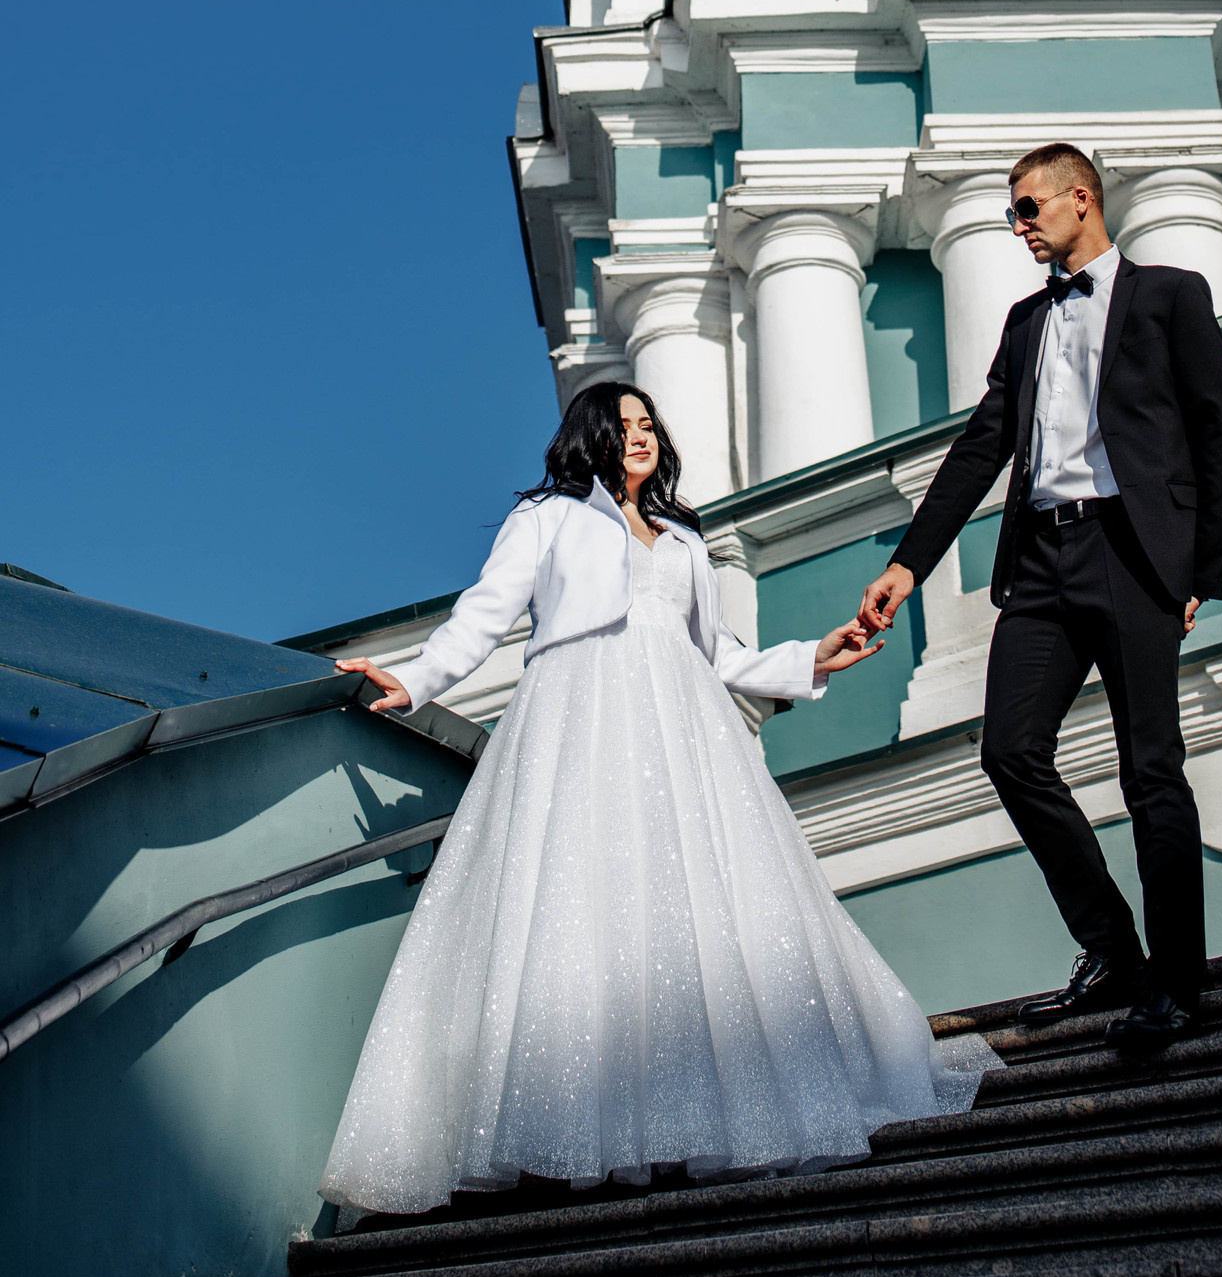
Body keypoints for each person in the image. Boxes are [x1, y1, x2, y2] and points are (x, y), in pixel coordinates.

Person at [321, 383, 996, 1213]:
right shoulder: (546, 517)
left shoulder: (683, 537)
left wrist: (813, 658)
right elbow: (482, 617)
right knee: (579, 905)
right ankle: (567, 1127)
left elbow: (717, 653)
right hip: (576, 719)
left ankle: (698, 1115)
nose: (639, 436)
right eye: (622, 425)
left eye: (648, 425)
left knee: (691, 906)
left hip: (682, 732)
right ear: (590, 437)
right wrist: (413, 676)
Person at [860, 143, 1222, 1053]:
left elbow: (1219, 431)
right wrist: (908, 564)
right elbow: (979, 449)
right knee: (1010, 750)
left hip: (1133, 549)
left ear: (1082, 199)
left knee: (1149, 768)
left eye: (1029, 207)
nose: (1019, 225)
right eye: (1013, 212)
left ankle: (1179, 984)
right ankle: (1114, 950)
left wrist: (1202, 570)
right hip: (1040, 556)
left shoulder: (1169, 296)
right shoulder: (1025, 322)